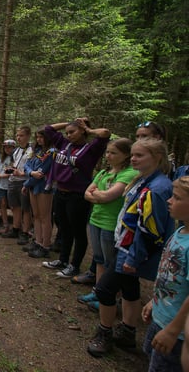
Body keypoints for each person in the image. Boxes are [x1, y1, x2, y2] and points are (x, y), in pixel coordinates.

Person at [87, 138, 174, 358]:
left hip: (132, 250)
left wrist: (133, 258)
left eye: (140, 155)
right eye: (133, 154)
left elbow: (151, 231)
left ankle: (105, 333)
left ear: (157, 157)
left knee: (105, 289)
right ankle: (127, 331)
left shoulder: (157, 188)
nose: (134, 159)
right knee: (129, 287)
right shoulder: (142, 179)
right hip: (125, 244)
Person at [42, 118, 110, 279]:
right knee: (64, 228)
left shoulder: (90, 149)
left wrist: (88, 129)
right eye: (67, 133)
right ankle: (63, 260)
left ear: (82, 131)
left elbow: (105, 133)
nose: (69, 135)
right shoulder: (64, 144)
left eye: (72, 132)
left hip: (77, 195)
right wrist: (69, 123)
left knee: (78, 231)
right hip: (61, 192)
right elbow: (48, 129)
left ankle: (75, 266)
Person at [78, 138, 137, 309]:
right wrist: (100, 196)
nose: (108, 156)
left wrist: (99, 195)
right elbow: (87, 193)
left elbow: (108, 196)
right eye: (107, 152)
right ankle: (99, 291)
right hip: (96, 219)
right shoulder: (104, 172)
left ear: (126, 155)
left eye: (113, 153)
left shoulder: (129, 173)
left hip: (111, 223)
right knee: (99, 259)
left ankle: (111, 296)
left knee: (111, 262)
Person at [141, 176, 189, 371]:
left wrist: (173, 330)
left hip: (176, 331)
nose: (169, 201)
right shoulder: (180, 231)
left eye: (177, 198)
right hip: (160, 319)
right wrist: (155, 301)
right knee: (151, 359)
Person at [23, 129, 55, 258]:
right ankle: (38, 241)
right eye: (37, 137)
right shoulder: (36, 151)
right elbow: (27, 165)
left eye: (41, 137)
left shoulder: (51, 152)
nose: (39, 139)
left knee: (44, 217)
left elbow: (41, 172)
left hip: (44, 187)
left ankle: (45, 245)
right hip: (33, 185)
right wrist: (31, 173)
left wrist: (27, 183)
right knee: (36, 215)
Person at [2, 126, 33, 244]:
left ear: (28, 136)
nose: (19, 138)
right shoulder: (16, 150)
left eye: (21, 135)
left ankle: (25, 232)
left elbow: (33, 168)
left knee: (26, 208)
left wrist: (22, 173)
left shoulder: (32, 151)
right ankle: (16, 228)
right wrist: (10, 169)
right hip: (12, 181)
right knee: (14, 206)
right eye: (17, 135)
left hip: (24, 182)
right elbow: (15, 163)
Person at [0, 139, 15, 234]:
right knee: (2, 204)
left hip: (11, 185)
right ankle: (5, 224)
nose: (7, 149)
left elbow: (13, 173)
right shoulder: (1, 159)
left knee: (13, 205)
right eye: (5, 147)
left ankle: (17, 225)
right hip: (1, 186)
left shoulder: (15, 158)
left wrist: (1, 176)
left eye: (9, 147)